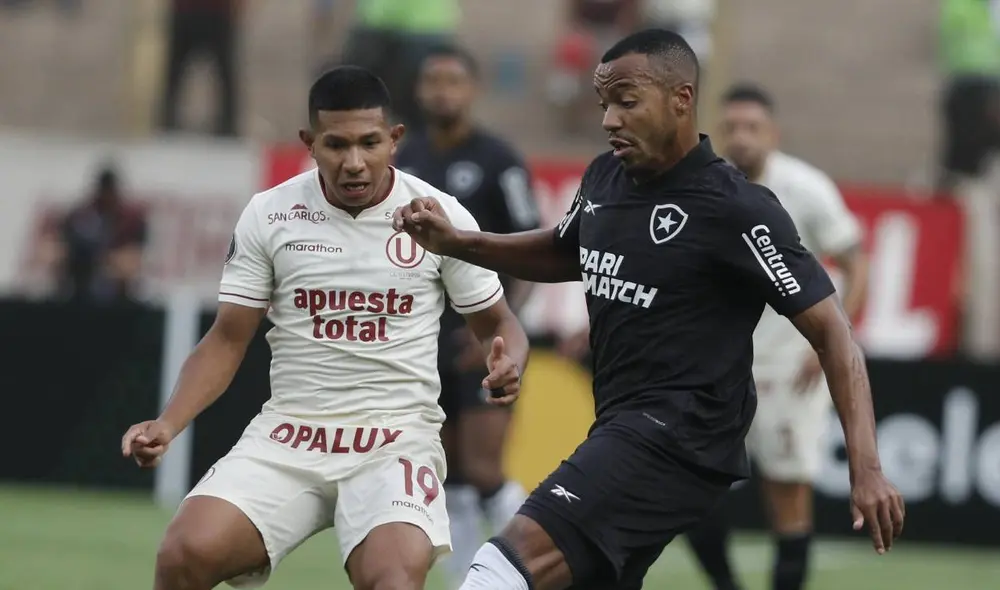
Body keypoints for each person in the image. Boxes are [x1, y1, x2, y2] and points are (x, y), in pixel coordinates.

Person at [393, 29, 905, 590]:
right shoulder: (606, 177)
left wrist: (868, 467)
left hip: (680, 433)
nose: (610, 119)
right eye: (604, 104)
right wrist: (463, 242)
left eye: (627, 102)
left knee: (508, 560)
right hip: (622, 420)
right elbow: (567, 249)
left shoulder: (735, 207)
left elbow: (833, 331)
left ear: (681, 100)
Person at [121, 66, 530, 590]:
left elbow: (499, 324)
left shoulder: (439, 215)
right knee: (183, 556)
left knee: (392, 578)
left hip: (394, 439)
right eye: (336, 145)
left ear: (394, 140)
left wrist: (507, 359)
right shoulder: (271, 215)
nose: (354, 162)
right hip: (291, 433)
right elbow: (226, 339)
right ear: (310, 143)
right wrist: (167, 423)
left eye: (369, 143)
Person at [683, 83, 869, 590]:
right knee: (688, 491)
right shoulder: (705, 185)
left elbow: (854, 263)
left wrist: (832, 341)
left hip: (790, 369)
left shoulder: (805, 188)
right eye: (732, 128)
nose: (741, 138)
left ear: (773, 133)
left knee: (787, 497)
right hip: (719, 368)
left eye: (752, 127)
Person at [394, 44, 542, 587]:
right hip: (421, 338)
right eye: (433, 81)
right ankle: (466, 580)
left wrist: (496, 329)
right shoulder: (403, 161)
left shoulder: (499, 161)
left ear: (473, 90)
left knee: (484, 469)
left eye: (454, 81)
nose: (442, 91)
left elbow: (528, 251)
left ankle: (541, 563)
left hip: (481, 335)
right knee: (449, 473)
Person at [57, 165, 148, 304]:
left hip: (118, 294)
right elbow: (62, 253)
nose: (107, 197)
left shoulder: (131, 220)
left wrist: (106, 260)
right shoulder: (80, 217)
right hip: (82, 289)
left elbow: (132, 259)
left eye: (109, 192)